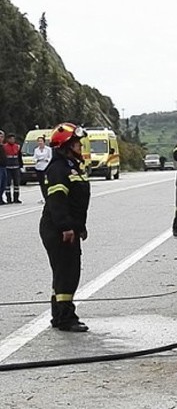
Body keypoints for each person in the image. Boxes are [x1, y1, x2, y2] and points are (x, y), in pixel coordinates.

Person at [41, 122, 90, 332]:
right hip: (58, 229)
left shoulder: (71, 167)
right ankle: (66, 318)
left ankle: (59, 315)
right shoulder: (58, 170)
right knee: (67, 273)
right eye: (76, 143)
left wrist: (80, 226)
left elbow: (77, 203)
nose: (80, 146)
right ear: (66, 146)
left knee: (64, 272)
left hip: (69, 227)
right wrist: (66, 227)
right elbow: (57, 202)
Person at [3, 133, 23, 204]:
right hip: (7, 168)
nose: (12, 140)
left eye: (13, 139)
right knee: (7, 184)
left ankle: (16, 198)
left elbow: (20, 157)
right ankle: (9, 199)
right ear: (8, 139)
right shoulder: (4, 147)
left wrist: (21, 166)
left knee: (16, 184)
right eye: (11, 139)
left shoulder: (17, 146)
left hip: (16, 167)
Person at [33, 136, 53, 201]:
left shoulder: (48, 149)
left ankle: (49, 196)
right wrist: (37, 160)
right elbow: (34, 158)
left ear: (44, 142)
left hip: (46, 167)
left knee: (47, 183)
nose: (40, 142)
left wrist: (46, 159)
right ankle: (44, 197)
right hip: (38, 168)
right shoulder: (36, 149)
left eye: (41, 141)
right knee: (41, 184)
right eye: (39, 141)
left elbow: (50, 157)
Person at [0, 130, 7, 205]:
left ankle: (1, 198)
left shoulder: (3, 146)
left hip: (4, 166)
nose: (1, 138)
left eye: (2, 137)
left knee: (3, 184)